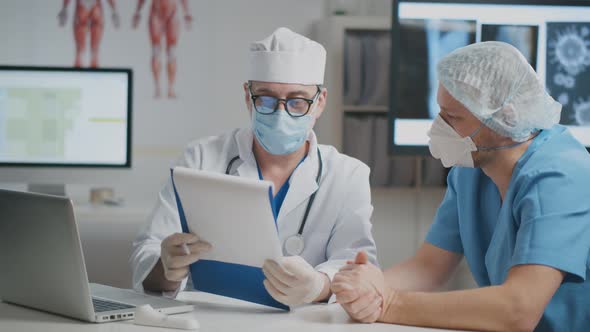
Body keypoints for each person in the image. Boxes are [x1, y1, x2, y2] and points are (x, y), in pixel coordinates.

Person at [331, 42, 590, 331]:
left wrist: (390, 304)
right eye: (440, 113)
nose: (436, 128)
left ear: (506, 118)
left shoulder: (562, 175)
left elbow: (519, 309)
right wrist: (367, 288)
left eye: (452, 118)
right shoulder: (471, 171)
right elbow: (428, 268)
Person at [130, 27, 378, 307]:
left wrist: (319, 285)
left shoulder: (348, 175)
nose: (280, 113)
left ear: (319, 102)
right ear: (248, 97)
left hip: (305, 322)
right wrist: (167, 268)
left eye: (297, 101)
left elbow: (358, 266)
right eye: (267, 99)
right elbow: (147, 254)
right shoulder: (201, 159)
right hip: (211, 318)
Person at [132, 0, 192, 98]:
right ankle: (157, 87)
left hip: (172, 13)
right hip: (156, 13)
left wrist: (187, 12)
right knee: (156, 51)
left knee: (171, 52)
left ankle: (170, 88)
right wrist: (137, 12)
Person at [58, 0, 120, 68]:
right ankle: (88, 69)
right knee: (91, 50)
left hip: (85, 7)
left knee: (84, 50)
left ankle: (83, 69)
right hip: (93, 8)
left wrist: (64, 8)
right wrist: (114, 11)